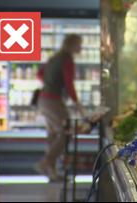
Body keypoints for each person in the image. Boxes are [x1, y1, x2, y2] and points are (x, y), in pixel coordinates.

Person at [35, 34, 86, 181]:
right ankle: (46, 162)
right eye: (79, 44)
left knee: (53, 135)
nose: (80, 48)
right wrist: (78, 105)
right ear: (71, 45)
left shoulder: (55, 57)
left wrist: (50, 84)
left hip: (43, 99)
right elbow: (69, 85)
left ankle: (52, 174)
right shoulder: (67, 60)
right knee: (66, 132)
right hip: (53, 101)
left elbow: (39, 74)